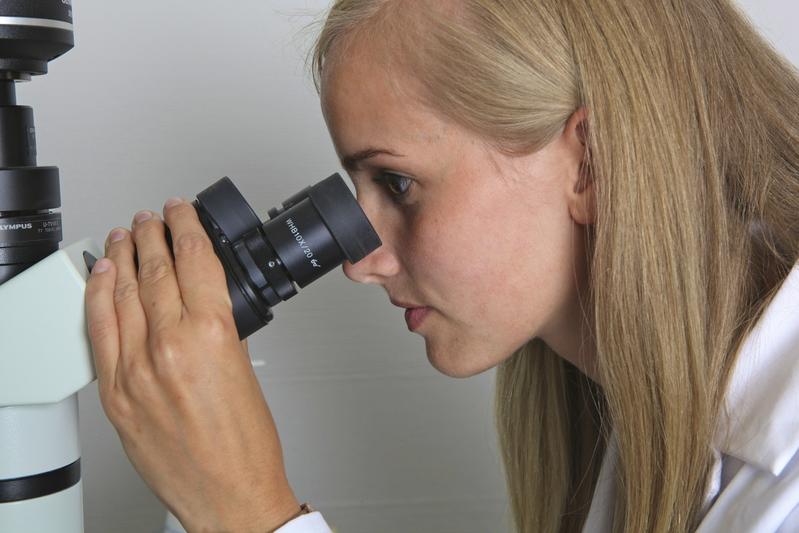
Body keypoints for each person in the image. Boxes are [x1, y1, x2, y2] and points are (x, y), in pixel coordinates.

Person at [84, 0, 799, 531]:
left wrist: (245, 509)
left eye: (397, 184)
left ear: (589, 160)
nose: (358, 262)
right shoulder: (639, 430)